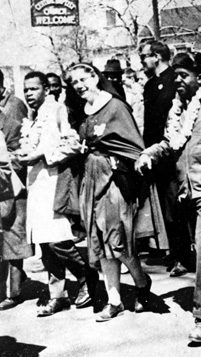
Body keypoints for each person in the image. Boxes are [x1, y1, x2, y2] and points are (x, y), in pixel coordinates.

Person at [135, 52, 201, 343]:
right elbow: (171, 142)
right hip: (187, 191)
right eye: (176, 74)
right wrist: (149, 153)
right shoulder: (178, 109)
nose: (177, 80)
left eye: (183, 75)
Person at [65, 63, 157, 322]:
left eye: (84, 79)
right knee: (98, 239)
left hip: (114, 179)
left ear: (95, 77)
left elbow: (132, 145)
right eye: (75, 82)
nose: (80, 85)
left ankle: (141, 282)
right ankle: (114, 300)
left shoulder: (115, 106)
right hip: (91, 178)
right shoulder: (84, 111)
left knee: (117, 240)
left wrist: (120, 160)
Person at [17, 71, 98, 317]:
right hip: (36, 183)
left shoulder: (58, 110)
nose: (29, 94)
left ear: (46, 89)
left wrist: (43, 155)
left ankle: (86, 275)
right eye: (26, 90)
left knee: (57, 239)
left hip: (55, 180)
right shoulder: (32, 116)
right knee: (44, 242)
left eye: (34, 89)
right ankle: (57, 295)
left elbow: (73, 144)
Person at [140, 41, 184, 276]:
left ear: (156, 57)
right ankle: (172, 251)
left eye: (145, 57)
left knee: (175, 205)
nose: (143, 63)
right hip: (154, 153)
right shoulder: (150, 85)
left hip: (171, 152)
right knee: (164, 207)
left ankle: (182, 254)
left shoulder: (173, 80)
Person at [0, 70, 32, 311]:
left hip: (11, 180)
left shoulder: (12, 107)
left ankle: (14, 290)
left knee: (13, 233)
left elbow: (17, 148)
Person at [122, 68, 145, 134]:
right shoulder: (133, 92)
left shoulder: (134, 93)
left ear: (132, 79)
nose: (123, 84)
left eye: (124, 81)